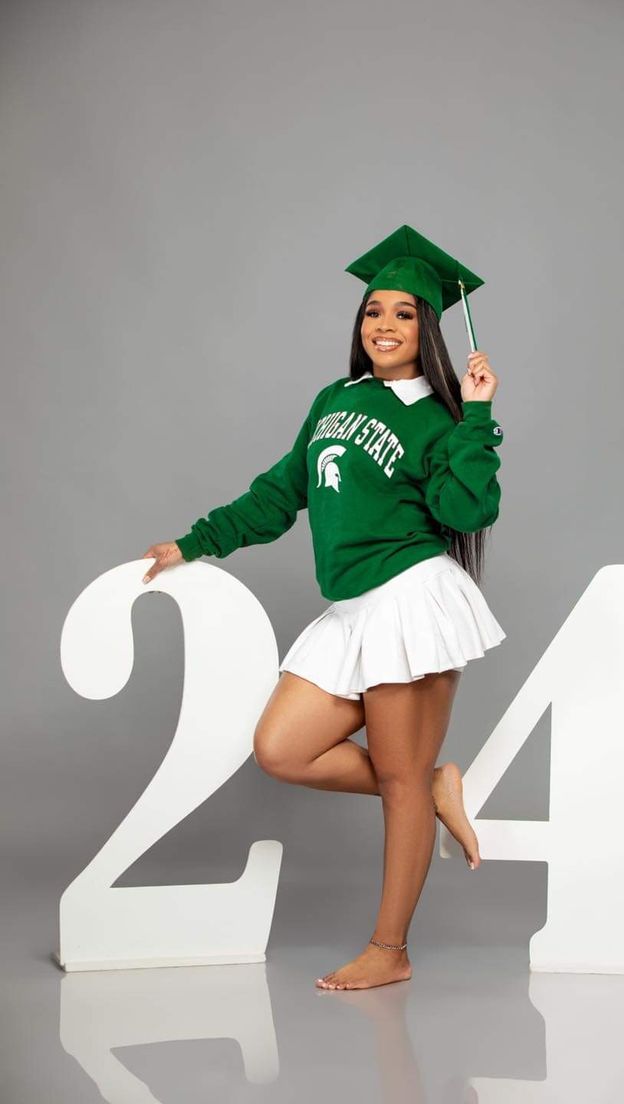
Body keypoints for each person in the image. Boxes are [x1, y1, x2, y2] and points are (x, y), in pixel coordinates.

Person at [140, 225, 506, 991]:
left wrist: (475, 415)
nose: (383, 325)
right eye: (374, 311)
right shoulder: (336, 399)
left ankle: (390, 949)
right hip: (350, 608)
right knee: (282, 748)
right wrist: (192, 543)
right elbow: (281, 493)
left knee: (398, 782)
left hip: (409, 600)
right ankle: (433, 784)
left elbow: (468, 508)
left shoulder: (437, 419)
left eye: (404, 314)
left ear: (428, 329)